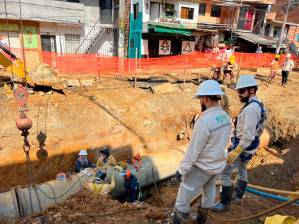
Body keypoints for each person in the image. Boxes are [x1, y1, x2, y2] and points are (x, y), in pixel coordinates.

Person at [173, 80, 232, 224]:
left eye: (200, 98)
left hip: (202, 167)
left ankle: (179, 220)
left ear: (205, 98)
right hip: (217, 165)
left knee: (183, 197)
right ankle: (202, 220)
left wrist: (181, 170)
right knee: (209, 191)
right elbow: (227, 142)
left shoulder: (204, 121)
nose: (200, 101)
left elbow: (193, 151)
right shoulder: (225, 117)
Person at [212, 75, 267, 213]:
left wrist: (236, 151)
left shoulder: (250, 109)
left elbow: (247, 136)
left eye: (241, 91)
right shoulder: (258, 104)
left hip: (242, 146)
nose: (239, 95)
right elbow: (259, 128)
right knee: (242, 169)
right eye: (239, 91)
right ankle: (238, 196)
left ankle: (224, 204)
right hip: (250, 146)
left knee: (224, 174)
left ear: (252, 90)